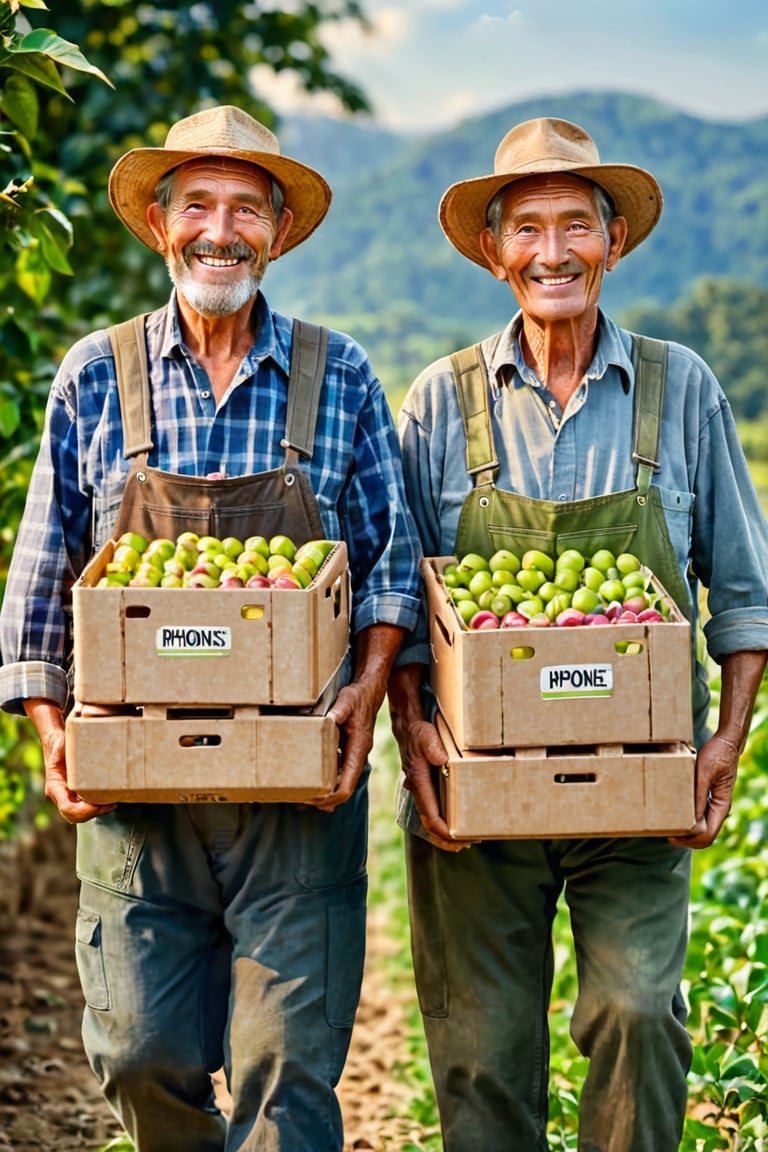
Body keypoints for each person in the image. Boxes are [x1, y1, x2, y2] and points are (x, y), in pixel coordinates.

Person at [0, 104, 422, 1152]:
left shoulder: (340, 377)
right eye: (197, 204)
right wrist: (55, 732)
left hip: (295, 792)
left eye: (245, 207)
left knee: (289, 1075)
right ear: (158, 222)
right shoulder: (97, 375)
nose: (219, 230)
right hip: (140, 786)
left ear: (277, 231)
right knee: (142, 1052)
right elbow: (45, 574)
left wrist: (363, 702)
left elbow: (390, 568)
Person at [387, 116, 768, 1152]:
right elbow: (399, 599)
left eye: (576, 226)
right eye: (528, 229)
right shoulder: (440, 401)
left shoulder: (679, 387)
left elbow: (743, 594)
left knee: (640, 1014)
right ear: (494, 250)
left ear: (614, 241)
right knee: (478, 1051)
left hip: (638, 792)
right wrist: (414, 730)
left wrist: (725, 741)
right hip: (478, 799)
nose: (553, 252)